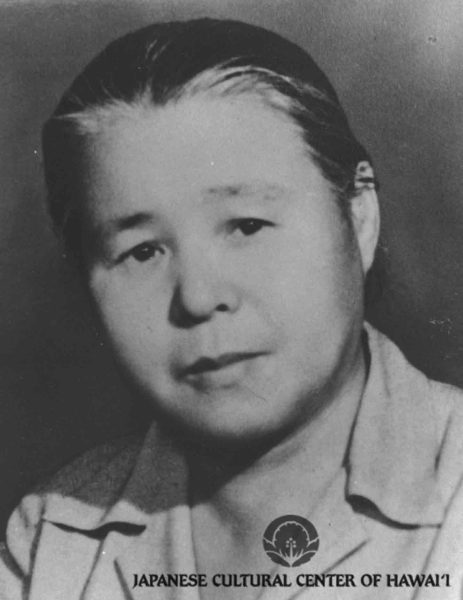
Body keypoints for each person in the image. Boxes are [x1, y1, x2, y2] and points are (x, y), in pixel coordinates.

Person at [1, 18, 463, 600]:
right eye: (142, 251)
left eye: (246, 226)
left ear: (359, 217)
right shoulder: (52, 536)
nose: (198, 297)